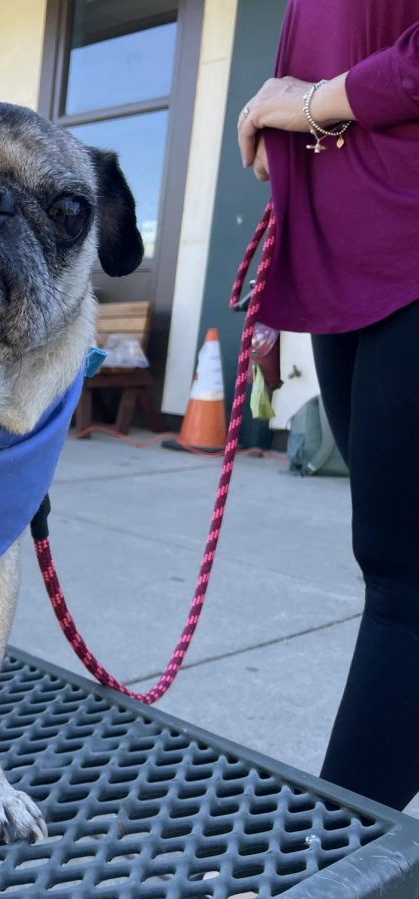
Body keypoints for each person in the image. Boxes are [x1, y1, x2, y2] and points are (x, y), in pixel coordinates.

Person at [237, 4, 419, 810]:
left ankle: (333, 859)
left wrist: (303, 102)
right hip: (356, 269)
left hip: (406, 255)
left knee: (406, 584)